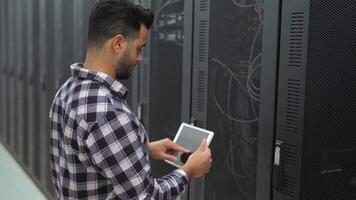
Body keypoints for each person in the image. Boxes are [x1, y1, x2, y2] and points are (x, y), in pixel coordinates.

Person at [49, 0, 212, 199]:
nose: (139, 58)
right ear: (118, 43)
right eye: (139, 48)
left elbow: (87, 152)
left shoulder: (67, 91)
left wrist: (143, 147)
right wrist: (189, 171)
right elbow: (148, 197)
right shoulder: (108, 114)